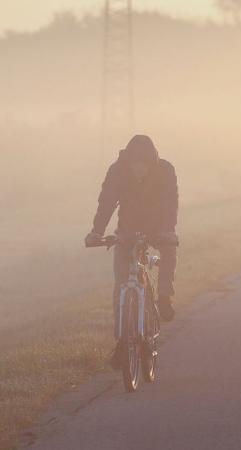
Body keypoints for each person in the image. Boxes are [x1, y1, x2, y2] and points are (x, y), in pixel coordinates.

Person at [85, 135, 178, 367]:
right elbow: (106, 201)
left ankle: (165, 296)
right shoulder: (117, 171)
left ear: (152, 163)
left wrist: (167, 230)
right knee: (121, 284)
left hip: (159, 227)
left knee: (169, 249)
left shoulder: (165, 171)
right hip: (127, 229)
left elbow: (170, 203)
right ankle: (122, 341)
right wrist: (97, 231)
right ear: (128, 162)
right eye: (135, 164)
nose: (139, 169)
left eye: (144, 165)